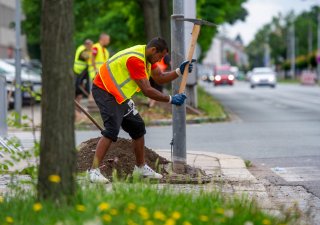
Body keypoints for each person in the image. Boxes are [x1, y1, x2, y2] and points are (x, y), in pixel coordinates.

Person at [87, 37, 195, 183]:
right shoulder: (136, 59)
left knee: (138, 127)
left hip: (120, 95)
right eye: (160, 56)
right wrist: (170, 99)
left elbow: (160, 78)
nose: (159, 60)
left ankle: (140, 168)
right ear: (153, 50)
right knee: (112, 130)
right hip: (105, 90)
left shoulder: (147, 59)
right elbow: (147, 90)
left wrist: (178, 71)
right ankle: (93, 171)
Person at [73, 39, 93, 104]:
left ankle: (77, 105)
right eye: (90, 46)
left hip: (80, 71)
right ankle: (88, 96)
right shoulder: (83, 49)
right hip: (79, 71)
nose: (91, 47)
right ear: (87, 44)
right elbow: (87, 57)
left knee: (79, 89)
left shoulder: (82, 48)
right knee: (78, 87)